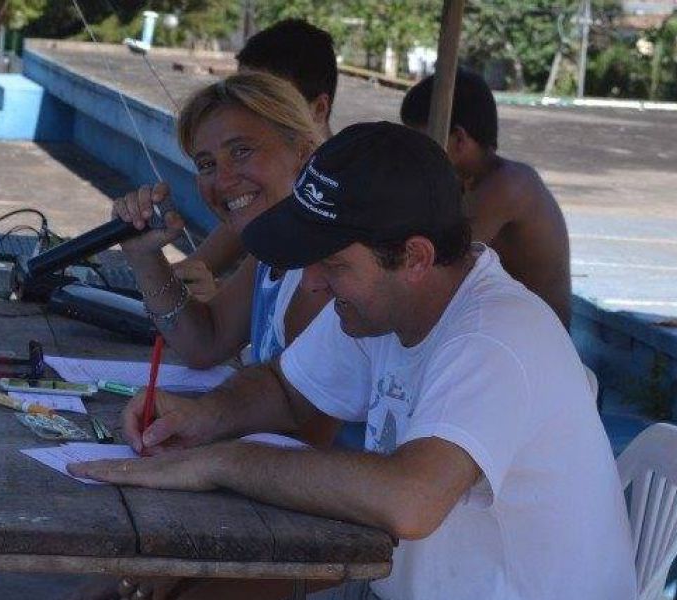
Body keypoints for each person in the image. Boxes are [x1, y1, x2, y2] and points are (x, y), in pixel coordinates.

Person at [70, 122, 637, 600]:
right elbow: (288, 389)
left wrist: (228, 461)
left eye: (333, 265)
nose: (312, 283)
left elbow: (410, 499)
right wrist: (198, 417)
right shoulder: (384, 302)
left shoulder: (494, 336)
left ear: (414, 256)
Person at [112, 71, 329, 371]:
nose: (223, 180)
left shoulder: (324, 265)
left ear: (303, 151)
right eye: (207, 164)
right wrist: (143, 255)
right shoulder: (274, 251)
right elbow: (206, 342)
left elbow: (298, 409)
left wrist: (198, 415)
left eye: (241, 151)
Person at [175, 19, 338, 300]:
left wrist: (215, 301)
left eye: (266, 99)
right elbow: (192, 273)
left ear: (318, 110)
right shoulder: (267, 212)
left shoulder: (335, 212)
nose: (242, 112)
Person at [400, 68, 572, 328]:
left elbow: (440, 263)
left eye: (421, 141)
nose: (412, 155)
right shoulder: (467, 183)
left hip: (533, 340)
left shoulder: (509, 185)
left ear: (459, 139)